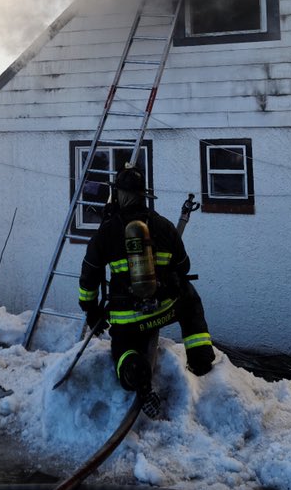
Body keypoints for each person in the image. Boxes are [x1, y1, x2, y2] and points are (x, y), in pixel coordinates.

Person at [78, 164, 215, 417]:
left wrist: (92, 312)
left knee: (121, 348)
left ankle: (132, 369)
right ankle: (201, 359)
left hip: (127, 320)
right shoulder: (163, 226)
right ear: (144, 195)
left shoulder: (107, 232)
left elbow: (89, 276)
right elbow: (184, 267)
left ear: (119, 194)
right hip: (164, 310)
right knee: (190, 298)